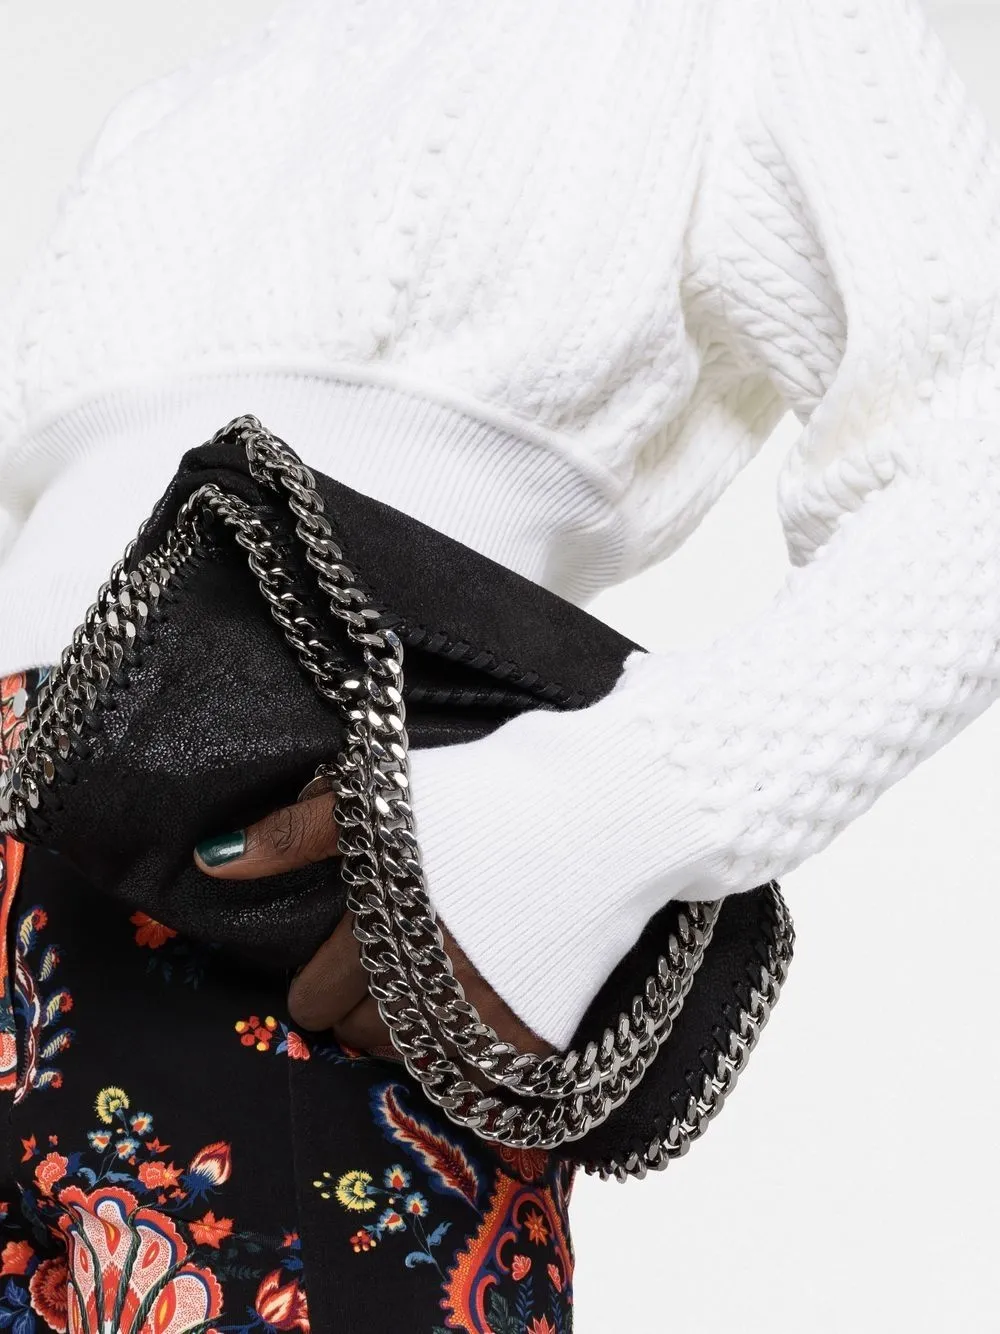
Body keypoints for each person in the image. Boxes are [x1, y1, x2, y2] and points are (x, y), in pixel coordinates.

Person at [2, 0, 1000, 1329]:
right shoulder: (171, 109)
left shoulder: (729, 32)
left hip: (293, 886)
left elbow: (976, 449)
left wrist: (594, 821)